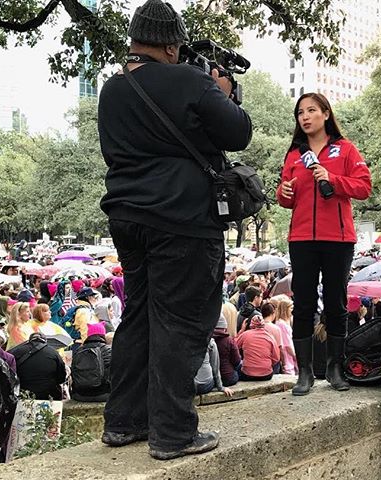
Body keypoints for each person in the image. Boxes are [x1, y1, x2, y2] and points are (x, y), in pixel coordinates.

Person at [97, 0, 252, 460]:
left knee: (140, 315)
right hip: (182, 219)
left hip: (127, 217)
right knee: (182, 321)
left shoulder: (112, 89)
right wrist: (219, 91)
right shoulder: (191, 80)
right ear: (170, 44)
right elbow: (238, 133)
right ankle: (173, 432)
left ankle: (123, 422)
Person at [276, 92, 371, 395]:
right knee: (302, 303)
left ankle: (335, 367)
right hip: (301, 238)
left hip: (338, 239)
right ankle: (304, 372)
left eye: (311, 110)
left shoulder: (345, 150)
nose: (304, 117)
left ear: (326, 114)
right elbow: (284, 198)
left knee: (336, 304)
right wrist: (285, 192)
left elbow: (364, 187)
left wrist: (332, 177)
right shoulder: (294, 154)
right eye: (300, 112)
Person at [9, 332, 66, 400]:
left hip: (24, 394)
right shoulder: (53, 352)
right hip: (48, 394)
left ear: (29, 340)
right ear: (45, 341)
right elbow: (61, 378)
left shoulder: (17, 351)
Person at [71, 322, 113, 402]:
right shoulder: (109, 350)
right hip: (104, 394)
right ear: (103, 334)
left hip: (80, 395)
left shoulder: (78, 351)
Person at [236, 314, 280, 381]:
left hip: (247, 374)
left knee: (238, 364)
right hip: (266, 375)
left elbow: (234, 345)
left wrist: (241, 330)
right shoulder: (270, 337)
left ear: (251, 324)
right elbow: (276, 358)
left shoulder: (245, 334)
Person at [212, 314, 241, 387]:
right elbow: (236, 360)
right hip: (228, 377)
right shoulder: (229, 340)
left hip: (212, 378)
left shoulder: (208, 340)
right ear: (224, 327)